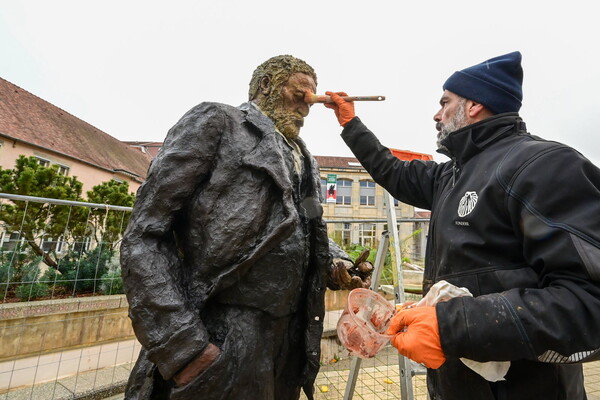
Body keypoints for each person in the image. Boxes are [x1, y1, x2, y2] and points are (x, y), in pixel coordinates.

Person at [323, 51, 600, 399]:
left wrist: (450, 325)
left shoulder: (543, 166)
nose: (436, 115)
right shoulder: (450, 176)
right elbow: (392, 170)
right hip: (456, 386)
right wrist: (350, 123)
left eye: (444, 102)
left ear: (474, 106)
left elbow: (588, 301)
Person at [120, 54, 371, 400]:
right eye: (300, 94)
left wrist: (335, 262)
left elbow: (311, 226)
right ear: (266, 86)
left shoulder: (304, 157)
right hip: (223, 331)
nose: (308, 105)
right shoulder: (219, 122)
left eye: (312, 98)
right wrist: (185, 350)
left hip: (288, 338)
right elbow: (145, 234)